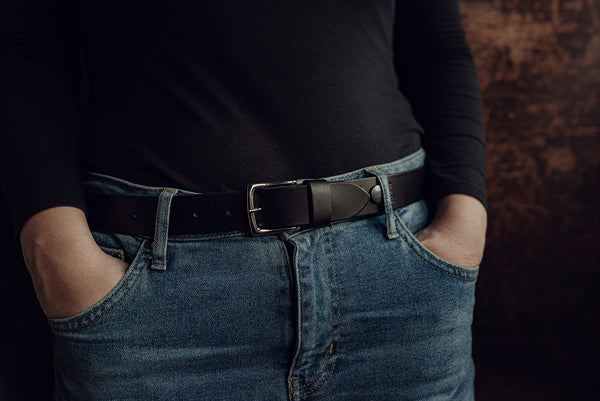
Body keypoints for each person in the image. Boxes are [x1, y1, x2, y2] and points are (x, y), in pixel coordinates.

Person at [0, 0, 487, 400]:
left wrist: (464, 223)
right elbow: (25, 49)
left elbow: (438, 48)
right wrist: (59, 259)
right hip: (153, 298)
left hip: (396, 282)